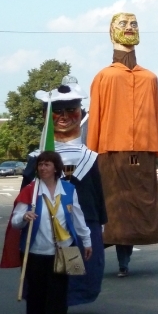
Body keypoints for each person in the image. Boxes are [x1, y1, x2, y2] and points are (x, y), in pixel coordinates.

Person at [87, 12, 158, 278]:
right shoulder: (104, 77)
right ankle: (93, 255)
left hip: (142, 153)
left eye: (134, 24)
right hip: (110, 153)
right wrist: (91, 154)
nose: (129, 28)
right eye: (123, 23)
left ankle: (124, 261)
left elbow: (155, 115)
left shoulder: (149, 78)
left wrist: (157, 152)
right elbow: (95, 117)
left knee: (137, 209)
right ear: (111, 30)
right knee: (112, 208)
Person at [20, 76, 107, 306]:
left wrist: (98, 228)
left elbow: (96, 199)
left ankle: (65, 304)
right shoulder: (36, 159)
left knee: (72, 279)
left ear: (81, 111)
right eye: (57, 111)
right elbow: (24, 199)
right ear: (47, 116)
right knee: (40, 282)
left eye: (71, 109)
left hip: (73, 235)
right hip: (43, 234)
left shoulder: (90, 158)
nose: (65, 116)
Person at [11, 151, 92, 314]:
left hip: (64, 250)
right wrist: (24, 217)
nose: (42, 168)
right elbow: (15, 221)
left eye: (47, 164)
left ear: (56, 168)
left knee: (59, 295)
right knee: (36, 296)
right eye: (40, 164)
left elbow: (78, 217)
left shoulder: (69, 189)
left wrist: (87, 240)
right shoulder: (31, 190)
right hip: (36, 252)